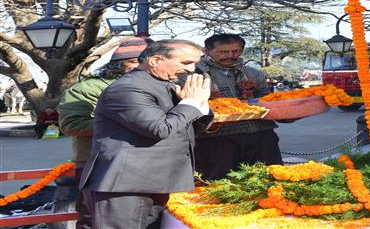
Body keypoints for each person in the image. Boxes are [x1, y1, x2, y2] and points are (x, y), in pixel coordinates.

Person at [80, 39, 212, 229]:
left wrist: (200, 104)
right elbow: (159, 129)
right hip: (125, 184)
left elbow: (184, 128)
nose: (192, 70)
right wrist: (190, 103)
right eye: (186, 63)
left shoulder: (166, 84)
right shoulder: (126, 88)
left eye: (195, 63)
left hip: (155, 179)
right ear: (156, 60)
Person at [58, 37, 149, 229]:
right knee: (95, 217)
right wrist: (132, 124)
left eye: (145, 61)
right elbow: (71, 124)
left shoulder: (156, 85)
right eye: (134, 61)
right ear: (117, 64)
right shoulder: (87, 88)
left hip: (144, 162)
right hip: (99, 162)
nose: (141, 67)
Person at [194, 33, 281, 180]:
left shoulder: (254, 74)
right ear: (206, 51)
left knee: (268, 180)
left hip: (260, 135)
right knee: (219, 184)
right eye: (223, 52)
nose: (230, 55)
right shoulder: (193, 74)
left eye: (236, 51)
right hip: (215, 139)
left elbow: (266, 101)